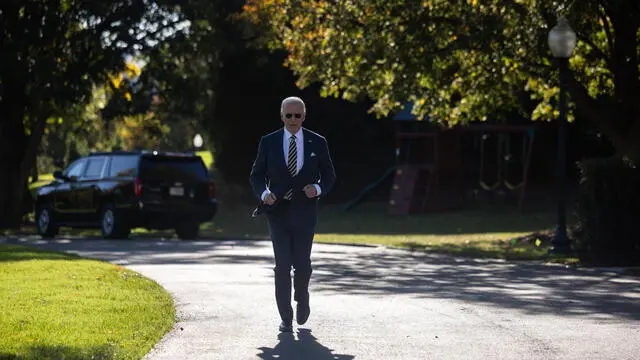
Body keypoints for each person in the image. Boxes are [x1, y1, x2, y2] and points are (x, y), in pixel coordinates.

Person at [249, 96, 337, 332]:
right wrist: (264, 193)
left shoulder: (317, 142)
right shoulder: (269, 142)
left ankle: (302, 298)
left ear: (304, 116)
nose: (293, 120)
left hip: (305, 212)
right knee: (282, 265)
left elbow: (329, 175)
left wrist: (317, 189)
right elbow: (256, 175)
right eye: (288, 115)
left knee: (302, 265)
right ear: (282, 116)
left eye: (297, 115)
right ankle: (285, 316)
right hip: (278, 211)